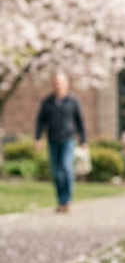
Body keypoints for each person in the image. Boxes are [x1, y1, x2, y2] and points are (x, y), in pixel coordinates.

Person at [35, 73, 87, 213]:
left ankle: (67, 200)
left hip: (69, 139)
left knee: (66, 167)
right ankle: (61, 201)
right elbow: (41, 121)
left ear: (66, 84)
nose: (58, 85)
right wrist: (38, 138)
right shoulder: (47, 102)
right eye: (56, 82)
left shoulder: (73, 101)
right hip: (52, 140)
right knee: (56, 172)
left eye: (60, 82)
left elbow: (80, 121)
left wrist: (84, 140)